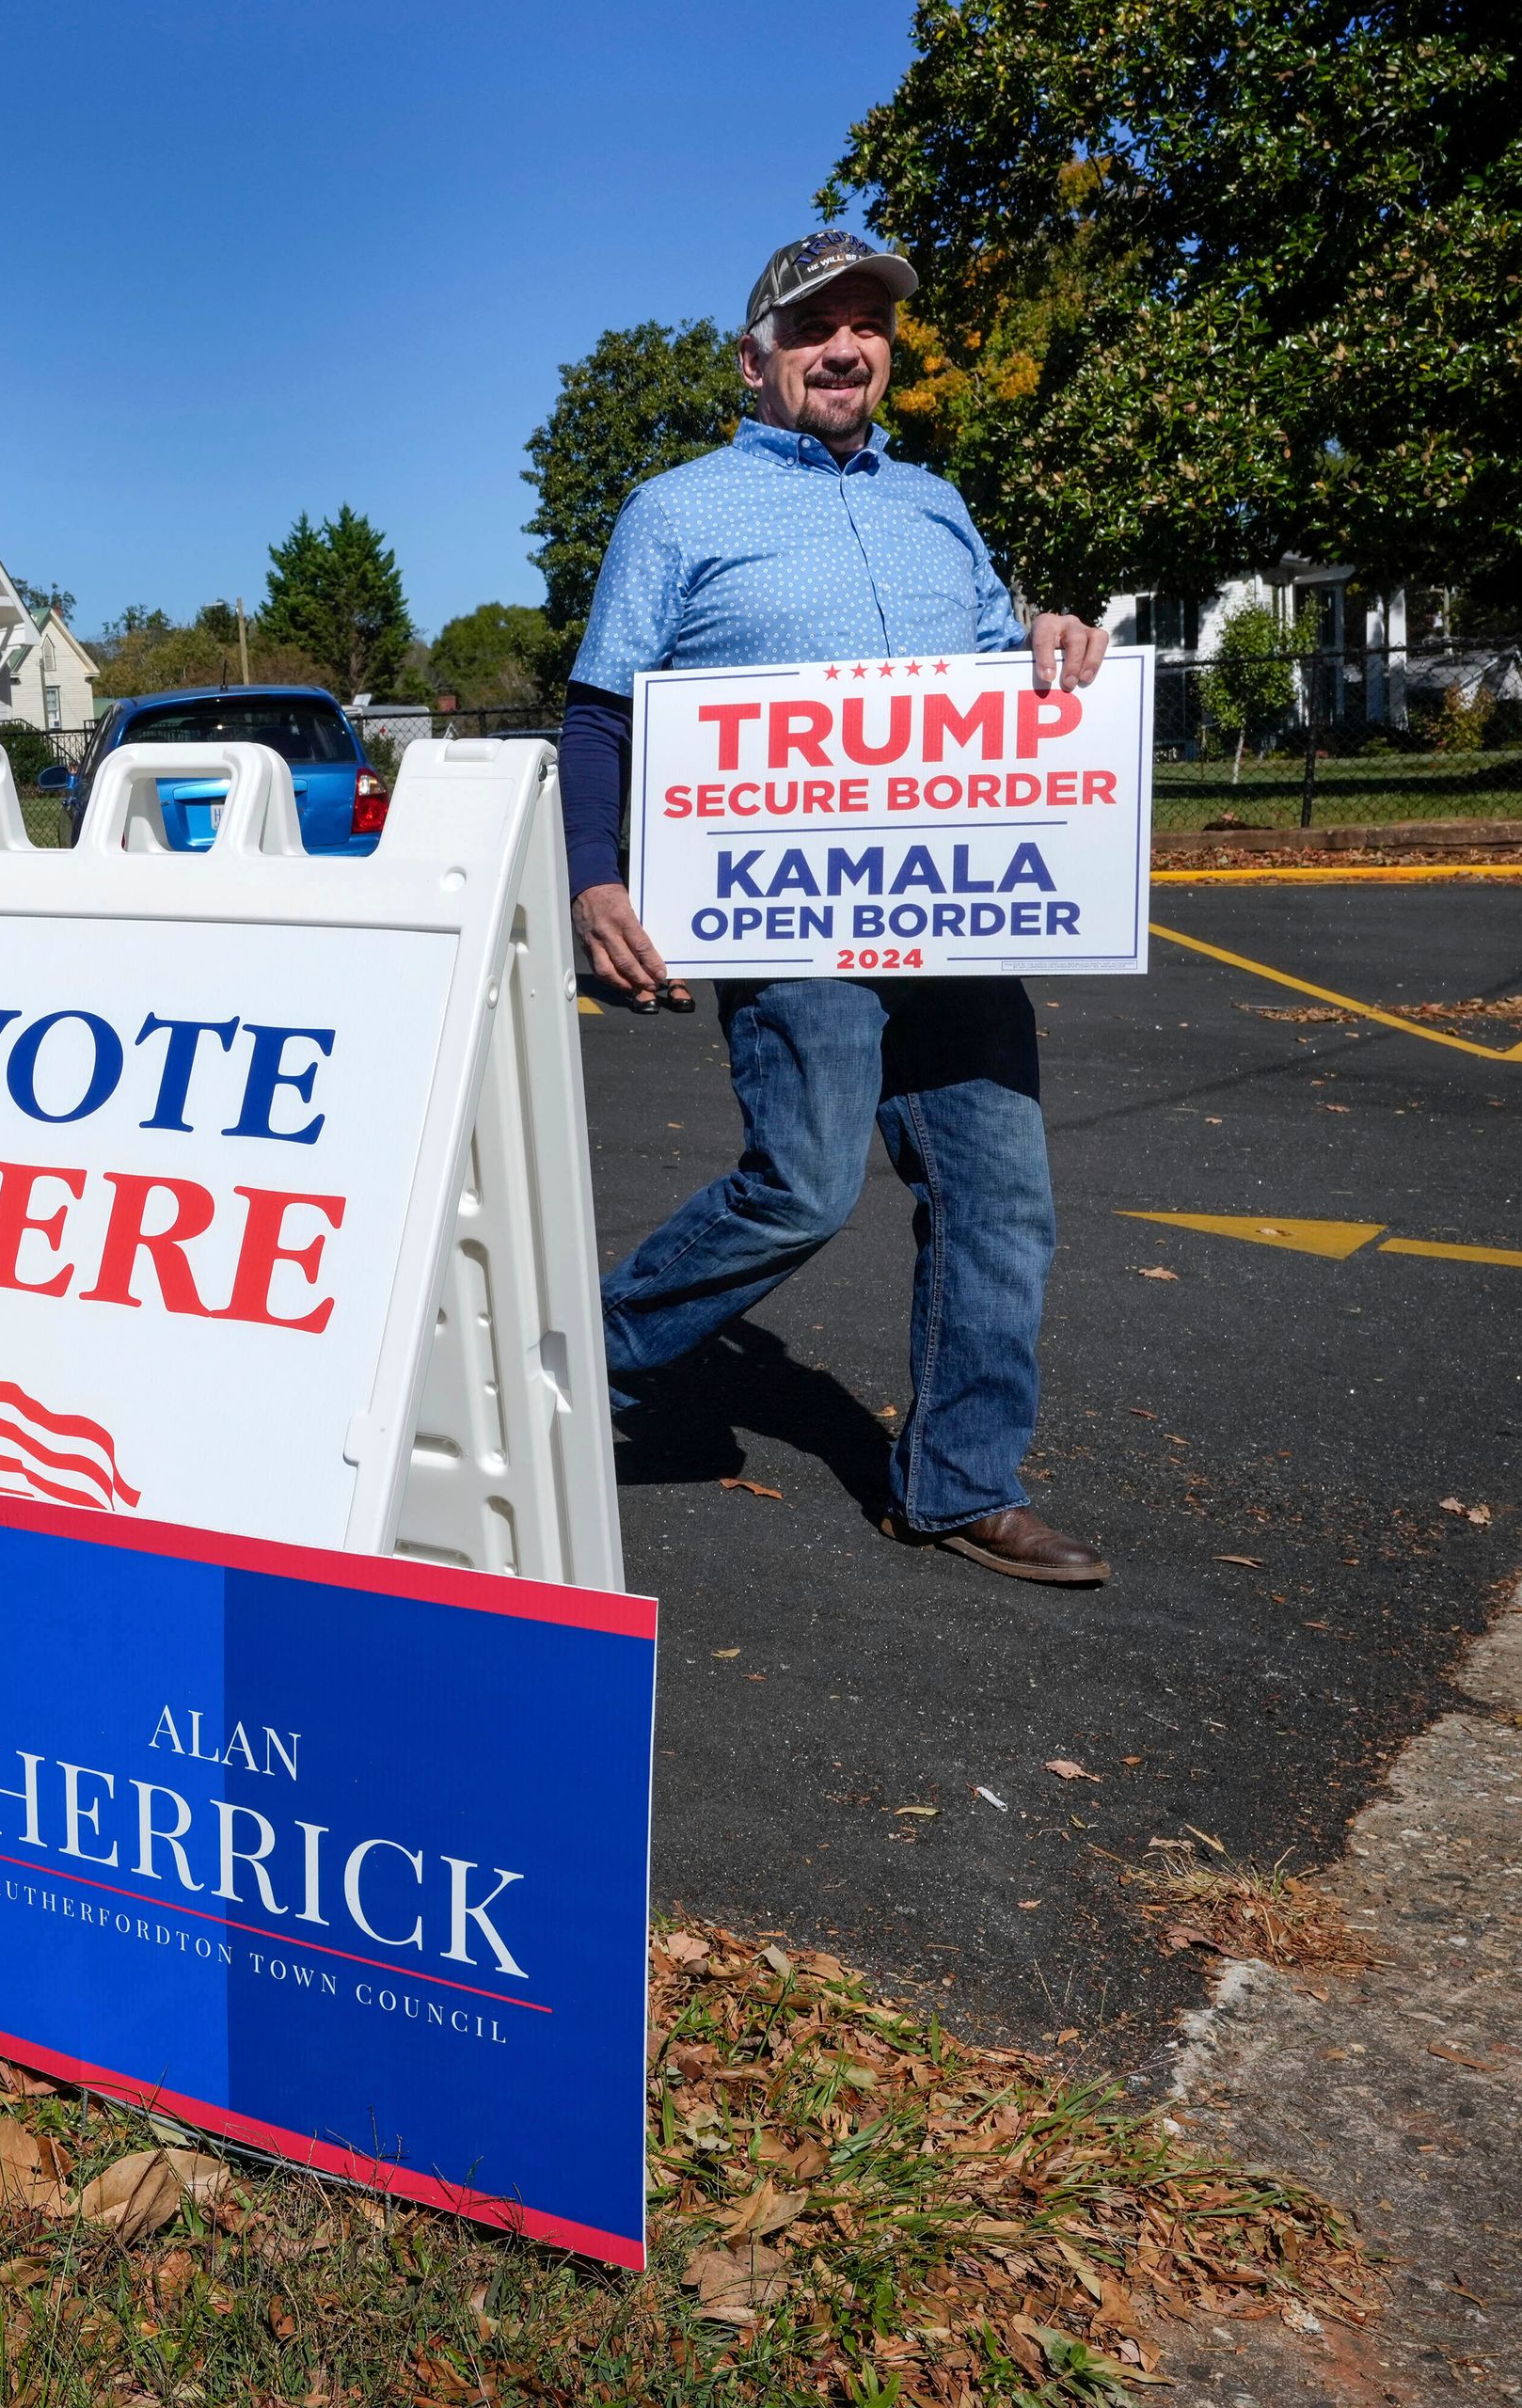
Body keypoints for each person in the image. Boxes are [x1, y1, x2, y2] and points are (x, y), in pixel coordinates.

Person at [563, 229, 1114, 1588]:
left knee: (1001, 1196)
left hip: (959, 905)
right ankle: (566, 1367)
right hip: (789, 913)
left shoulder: (939, 505)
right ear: (759, 359)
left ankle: (964, 1485)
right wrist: (594, 877)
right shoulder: (678, 510)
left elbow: (994, 680)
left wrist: (1045, 638)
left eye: (868, 325)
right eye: (816, 327)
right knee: (802, 1189)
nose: (846, 346)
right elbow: (599, 710)